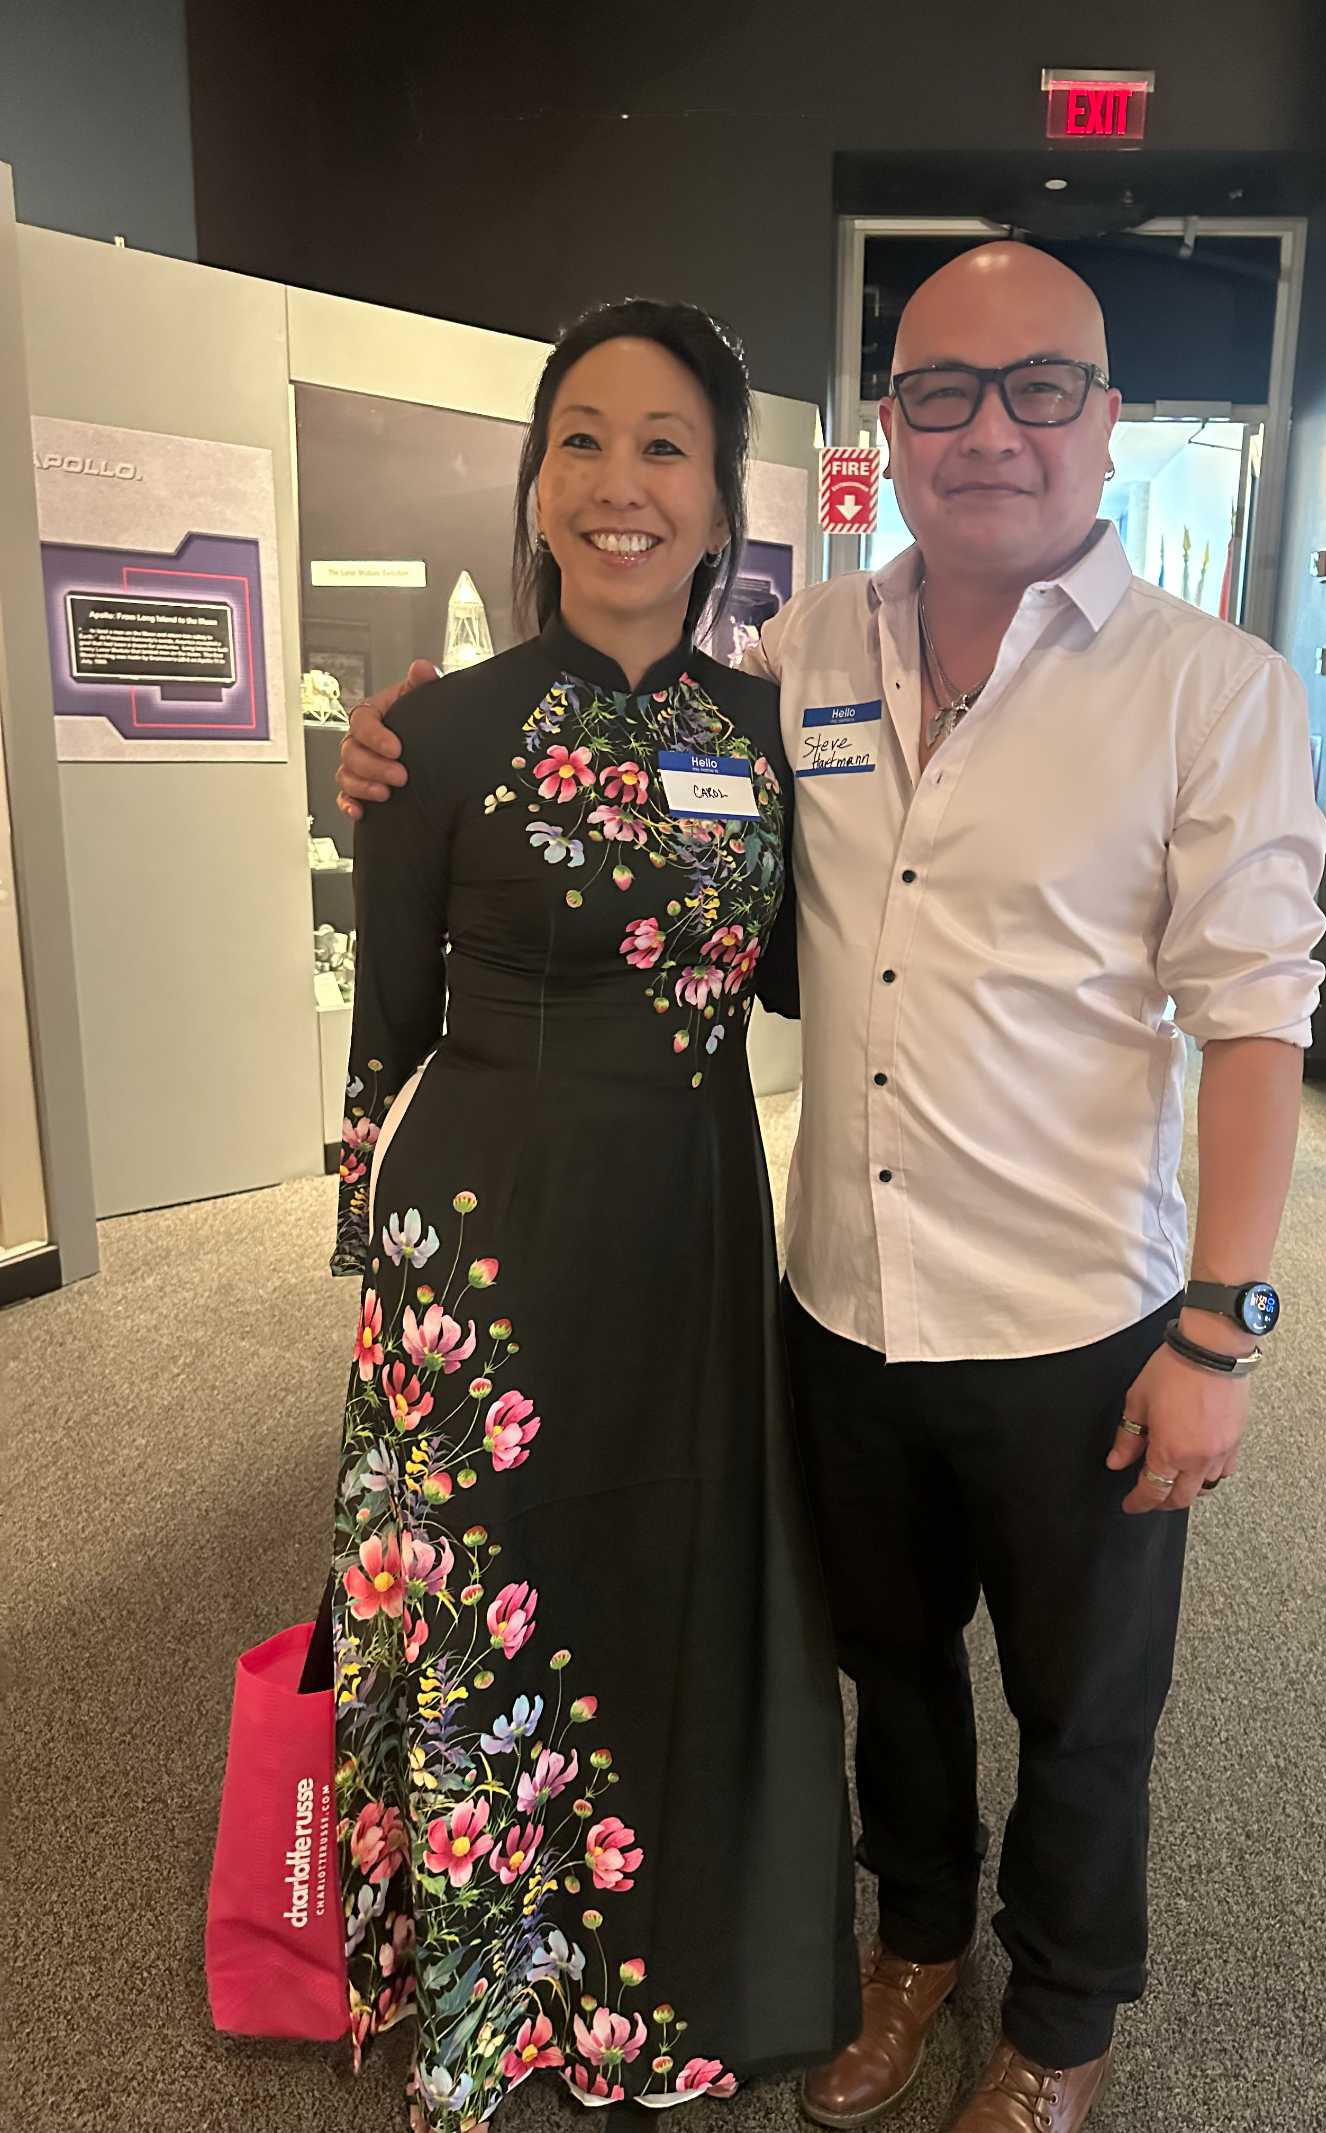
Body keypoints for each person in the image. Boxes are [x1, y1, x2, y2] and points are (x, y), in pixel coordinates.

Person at [338, 243, 1326, 2133]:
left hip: (1077, 1315)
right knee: (890, 1668)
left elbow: (1259, 1023)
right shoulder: (804, 663)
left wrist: (1222, 1325)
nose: (991, 430)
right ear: (890, 425)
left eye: (1041, 388)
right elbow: (646, 831)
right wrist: (397, 757)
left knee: (1085, 1709)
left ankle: (1058, 2030)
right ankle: (916, 1946)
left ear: (1107, 417)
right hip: (845, 1293)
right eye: (944, 390)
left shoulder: (1212, 691)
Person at [326, 297, 857, 2133]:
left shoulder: (772, 735)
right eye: (582, 441)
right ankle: (491, 1996)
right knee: (491, 1586)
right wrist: (376, 1275)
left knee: (671, 1562)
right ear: (538, 480)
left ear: (720, 500)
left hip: (694, 1210)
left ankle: (660, 1975)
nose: (620, 483)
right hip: (484, 1237)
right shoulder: (432, 733)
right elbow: (388, 1025)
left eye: (664, 447)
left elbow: (808, 974)